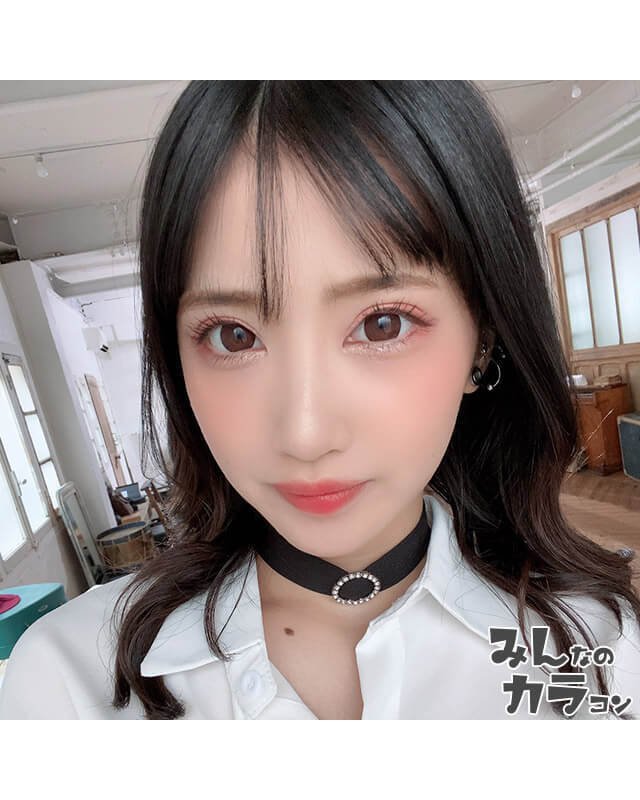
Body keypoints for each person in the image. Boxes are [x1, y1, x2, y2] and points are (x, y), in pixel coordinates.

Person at [1, 81, 639, 720]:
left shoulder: (598, 649)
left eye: (382, 324)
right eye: (233, 335)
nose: (305, 435)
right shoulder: (69, 684)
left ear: (483, 340)